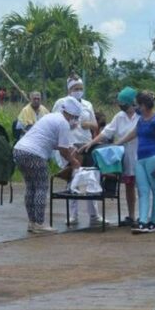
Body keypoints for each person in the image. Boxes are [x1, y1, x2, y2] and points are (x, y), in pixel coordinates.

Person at [14, 97, 82, 233]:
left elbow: (50, 141)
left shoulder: (51, 116)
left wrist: (67, 149)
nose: (75, 120)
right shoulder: (63, 123)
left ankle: (32, 222)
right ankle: (39, 223)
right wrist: (74, 162)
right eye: (75, 117)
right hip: (34, 154)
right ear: (72, 115)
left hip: (19, 151)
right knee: (41, 186)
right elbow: (64, 151)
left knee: (31, 187)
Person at [81, 87, 140, 228]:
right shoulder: (119, 117)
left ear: (131, 102)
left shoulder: (141, 116)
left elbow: (134, 133)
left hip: (140, 154)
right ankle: (132, 216)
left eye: (123, 102)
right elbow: (106, 132)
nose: (121, 105)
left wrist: (118, 142)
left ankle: (143, 216)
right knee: (129, 186)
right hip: (126, 156)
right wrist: (91, 143)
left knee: (142, 187)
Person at [52, 78, 103, 227]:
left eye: (80, 88)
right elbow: (55, 121)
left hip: (86, 144)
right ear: (69, 90)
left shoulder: (87, 105)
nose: (78, 91)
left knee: (91, 177)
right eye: (75, 88)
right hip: (70, 144)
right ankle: (72, 215)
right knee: (73, 178)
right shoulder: (61, 103)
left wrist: (86, 124)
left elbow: (95, 125)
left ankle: (94, 215)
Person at [117, 91, 155, 234]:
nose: (136, 107)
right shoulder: (141, 120)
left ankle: (154, 221)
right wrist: (118, 143)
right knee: (143, 191)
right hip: (141, 159)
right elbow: (134, 133)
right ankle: (143, 221)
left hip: (153, 157)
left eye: (138, 104)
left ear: (144, 105)